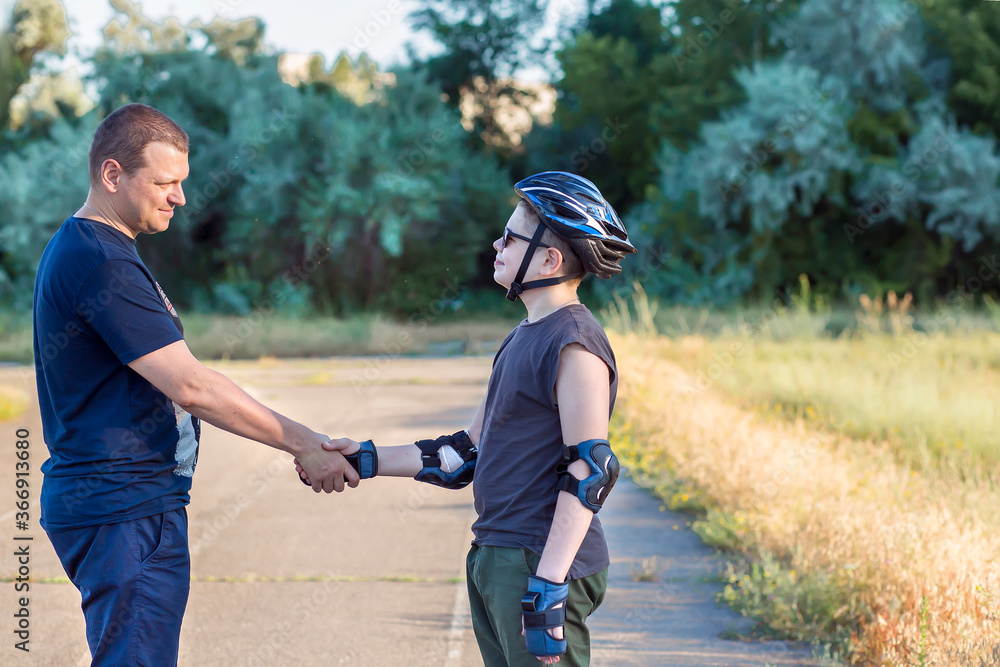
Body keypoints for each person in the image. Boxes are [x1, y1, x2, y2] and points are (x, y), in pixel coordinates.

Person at [32, 103, 361, 667]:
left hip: (123, 504)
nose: (179, 197)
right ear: (113, 175)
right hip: (126, 509)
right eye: (164, 182)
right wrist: (305, 442)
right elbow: (192, 386)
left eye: (182, 182)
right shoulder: (101, 262)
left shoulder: (93, 250)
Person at [300, 171, 636, 665]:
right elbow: (462, 455)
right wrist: (363, 458)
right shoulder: (525, 334)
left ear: (550, 258)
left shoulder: (575, 344)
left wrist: (548, 586)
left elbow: (591, 470)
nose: (496, 243)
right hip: (497, 554)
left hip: (536, 559)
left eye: (511, 237)